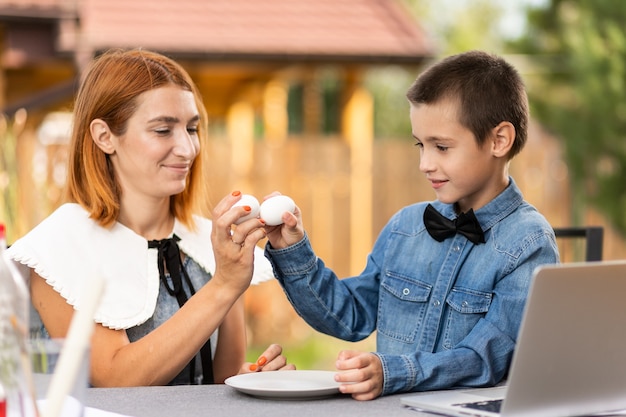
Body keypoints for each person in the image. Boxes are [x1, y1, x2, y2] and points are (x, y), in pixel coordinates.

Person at [262, 50, 559, 400]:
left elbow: (486, 358)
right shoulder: (406, 227)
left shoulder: (530, 243)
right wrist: (291, 249)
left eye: (442, 147)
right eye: (421, 145)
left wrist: (396, 372)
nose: (425, 163)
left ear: (499, 140)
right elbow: (349, 315)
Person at [6, 48, 294, 387]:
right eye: (163, 130)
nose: (187, 148)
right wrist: (224, 286)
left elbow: (220, 382)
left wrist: (251, 380)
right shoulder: (57, 247)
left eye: (192, 128)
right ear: (104, 136)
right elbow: (114, 381)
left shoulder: (208, 243)